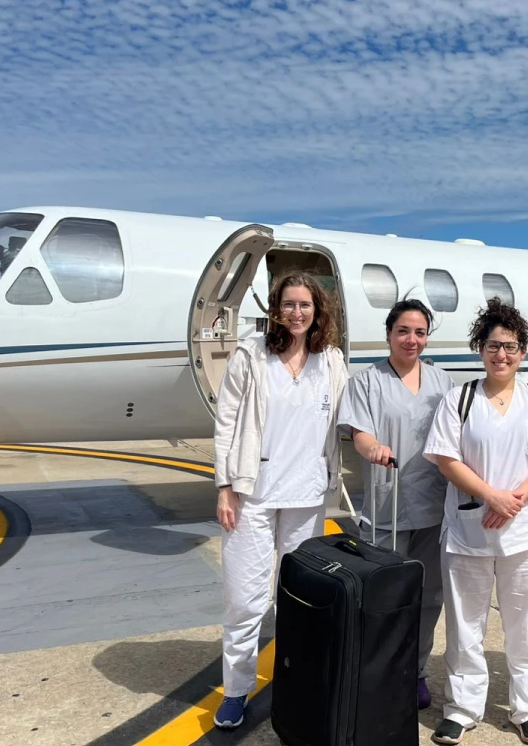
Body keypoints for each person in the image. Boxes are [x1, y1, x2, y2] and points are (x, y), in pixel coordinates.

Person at [423, 298, 528, 746]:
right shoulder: (460, 398)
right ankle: (463, 708)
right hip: (469, 531)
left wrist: (515, 498)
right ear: (480, 349)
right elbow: (445, 458)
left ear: (523, 352)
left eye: (510, 347)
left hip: (526, 532)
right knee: (465, 625)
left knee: (526, 625)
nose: (501, 355)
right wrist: (490, 495)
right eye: (493, 346)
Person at [210, 272, 351, 730]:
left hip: (307, 495)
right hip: (253, 492)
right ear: (275, 308)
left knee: (298, 597)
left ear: (318, 310)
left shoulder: (329, 360)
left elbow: (351, 414)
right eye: (288, 304)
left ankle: (297, 682)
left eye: (305, 305)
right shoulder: (252, 355)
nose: (296, 313)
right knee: (245, 598)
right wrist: (225, 485)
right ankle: (236, 690)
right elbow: (227, 421)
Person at [336, 298, 454, 710]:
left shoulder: (444, 383)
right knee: (382, 599)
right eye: (403, 331)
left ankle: (415, 673)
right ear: (389, 334)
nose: (411, 339)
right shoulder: (366, 382)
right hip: (388, 509)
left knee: (429, 597)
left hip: (435, 511)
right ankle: (378, 674)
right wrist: (371, 449)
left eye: (420, 332)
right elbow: (360, 433)